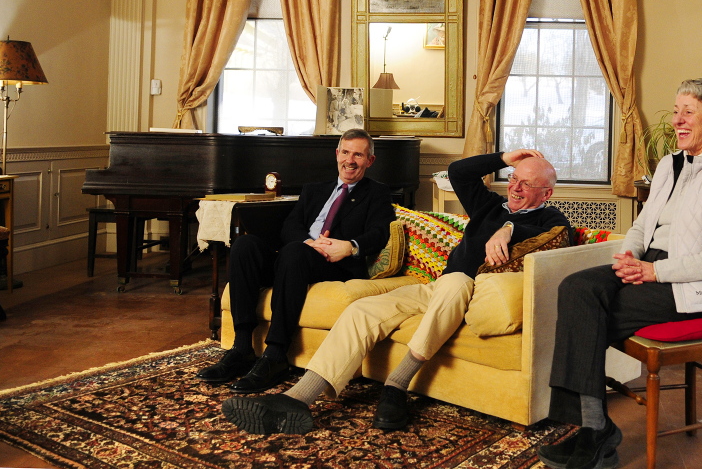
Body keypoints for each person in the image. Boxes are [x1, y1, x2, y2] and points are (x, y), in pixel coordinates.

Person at [220, 149, 571, 435]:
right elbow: (458, 171)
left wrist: (509, 229)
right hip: (436, 287)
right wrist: (505, 158)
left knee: (457, 281)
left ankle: (396, 386)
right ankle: (298, 399)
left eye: (527, 184)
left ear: (547, 193)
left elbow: (556, 238)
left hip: (474, 288)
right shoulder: (489, 205)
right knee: (362, 311)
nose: (516, 187)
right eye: (514, 179)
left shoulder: (551, 219)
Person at [537, 78, 702, 469]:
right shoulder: (669, 164)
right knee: (575, 288)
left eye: (688, 112)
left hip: (701, 282)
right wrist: (628, 257)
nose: (677, 120)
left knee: (588, 314)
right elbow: (643, 226)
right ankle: (594, 427)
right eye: (676, 111)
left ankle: (594, 432)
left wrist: (654, 271)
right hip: (652, 265)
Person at [195, 129, 395, 393]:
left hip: (334, 263)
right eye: (345, 152)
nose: (350, 160)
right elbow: (291, 226)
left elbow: (381, 232)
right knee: (245, 245)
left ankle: (276, 355)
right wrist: (308, 242)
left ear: (370, 160)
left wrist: (349, 247)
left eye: (358, 154)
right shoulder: (315, 190)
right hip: (298, 256)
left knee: (293, 253)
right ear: (337, 154)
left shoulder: (377, 193)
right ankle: (242, 348)